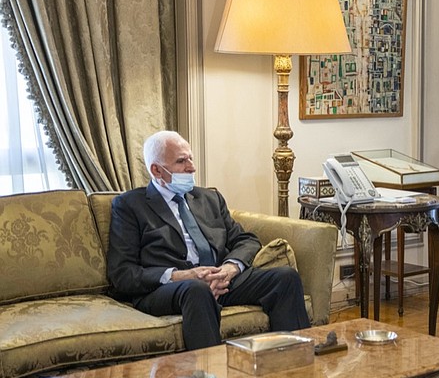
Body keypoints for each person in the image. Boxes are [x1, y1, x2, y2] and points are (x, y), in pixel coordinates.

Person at [107, 131, 310, 350]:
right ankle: (210, 377)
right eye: (181, 161)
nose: (191, 167)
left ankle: (297, 362)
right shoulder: (129, 206)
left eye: (191, 159)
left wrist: (230, 268)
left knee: (285, 278)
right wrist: (182, 276)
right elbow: (122, 273)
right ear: (156, 170)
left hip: (221, 278)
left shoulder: (208, 198)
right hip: (169, 289)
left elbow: (246, 240)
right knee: (196, 289)